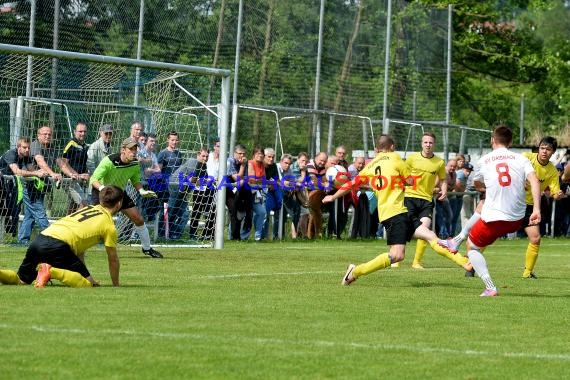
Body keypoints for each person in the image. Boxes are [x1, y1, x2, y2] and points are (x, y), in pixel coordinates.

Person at [322, 134, 461, 286]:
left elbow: (351, 184)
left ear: (377, 149)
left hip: (392, 212)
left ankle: (457, 252)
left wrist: (333, 197)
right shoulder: (395, 158)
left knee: (427, 234)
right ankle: (355, 272)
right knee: (397, 255)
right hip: (396, 212)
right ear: (392, 147)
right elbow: (409, 181)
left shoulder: (372, 164)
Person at [453, 136, 563, 280]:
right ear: (538, 148)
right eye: (542, 148)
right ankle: (471, 265)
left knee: (535, 238)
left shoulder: (552, 171)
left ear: (553, 152)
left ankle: (527, 272)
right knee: (489, 234)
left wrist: (557, 194)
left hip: (529, 208)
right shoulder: (525, 157)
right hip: (512, 202)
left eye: (548, 150)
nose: (544, 152)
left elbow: (554, 192)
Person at [461, 125, 541, 296]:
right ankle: (456, 239)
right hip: (517, 219)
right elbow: (534, 181)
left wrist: (488, 186)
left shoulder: (485, 160)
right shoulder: (521, 159)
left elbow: (477, 184)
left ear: (492, 140)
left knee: (472, 247)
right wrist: (536, 209)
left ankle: (490, 287)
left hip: (495, 218)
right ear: (511, 142)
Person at [0, 186, 124, 288]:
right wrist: (116, 285)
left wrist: (90, 277)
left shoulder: (90, 208)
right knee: (86, 285)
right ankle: (51, 271)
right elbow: (112, 259)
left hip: (40, 239)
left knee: (20, 281)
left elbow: (79, 252)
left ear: (102, 201)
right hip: (58, 245)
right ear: (119, 204)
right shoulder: (109, 226)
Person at [90, 137, 163, 258]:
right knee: (95, 222)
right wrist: (104, 189)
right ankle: (78, 246)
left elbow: (135, 180)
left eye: (135, 149)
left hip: (119, 193)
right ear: (123, 150)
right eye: (131, 149)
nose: (133, 152)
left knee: (138, 219)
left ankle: (147, 249)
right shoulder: (109, 161)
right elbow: (94, 179)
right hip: (102, 192)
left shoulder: (135, 163)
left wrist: (141, 190)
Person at [403, 132, 465, 270]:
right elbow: (403, 176)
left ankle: (416, 262)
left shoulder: (439, 162)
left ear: (434, 144)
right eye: (425, 142)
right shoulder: (412, 159)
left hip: (426, 200)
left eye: (430, 142)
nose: (428, 145)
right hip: (409, 197)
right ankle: (395, 259)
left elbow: (443, 179)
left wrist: (443, 190)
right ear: (421, 143)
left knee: (424, 229)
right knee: (403, 228)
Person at [18, 126, 63, 243]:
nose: (47, 136)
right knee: (39, 212)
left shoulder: (52, 147)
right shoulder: (35, 145)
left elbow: (61, 163)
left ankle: (23, 240)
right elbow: (40, 162)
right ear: (38, 135)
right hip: (31, 185)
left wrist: (74, 174)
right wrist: (52, 173)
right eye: (45, 134)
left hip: (42, 185)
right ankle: (51, 239)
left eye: (49, 134)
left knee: (30, 214)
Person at [0, 137, 48, 238]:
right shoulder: (11, 154)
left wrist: (40, 172)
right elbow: (17, 171)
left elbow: (32, 170)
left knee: (13, 209)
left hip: (9, 184)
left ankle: (13, 237)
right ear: (18, 147)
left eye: (28, 148)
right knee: (3, 209)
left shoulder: (26, 156)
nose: (27, 150)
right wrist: (35, 173)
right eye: (24, 147)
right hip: (2, 182)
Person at [171, 148, 210, 241]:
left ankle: (174, 235)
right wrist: (206, 180)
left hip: (182, 192)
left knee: (181, 214)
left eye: (207, 156)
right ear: (198, 155)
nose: (205, 158)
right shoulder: (193, 162)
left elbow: (205, 180)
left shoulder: (203, 166)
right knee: (174, 213)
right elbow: (193, 181)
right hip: (173, 188)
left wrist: (206, 180)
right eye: (203, 156)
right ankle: (166, 234)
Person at [57, 122, 91, 213]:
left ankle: (67, 224)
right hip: (69, 179)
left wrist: (87, 173)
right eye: (80, 131)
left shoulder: (85, 146)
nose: (82, 133)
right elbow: (63, 163)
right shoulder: (71, 144)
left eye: (84, 131)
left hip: (79, 180)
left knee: (74, 204)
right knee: (84, 203)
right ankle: (75, 225)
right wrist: (78, 175)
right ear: (75, 132)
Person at [157, 131, 183, 239]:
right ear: (167, 140)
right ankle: (161, 233)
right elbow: (159, 171)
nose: (174, 142)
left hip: (176, 187)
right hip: (165, 187)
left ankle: (171, 232)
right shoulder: (163, 153)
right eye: (172, 140)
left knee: (174, 210)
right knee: (165, 210)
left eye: (176, 140)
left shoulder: (179, 154)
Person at [306, 152, 329, 239]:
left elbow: (323, 180)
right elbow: (314, 181)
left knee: (315, 212)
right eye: (321, 160)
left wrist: (325, 184)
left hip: (315, 192)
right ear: (316, 158)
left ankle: (313, 235)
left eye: (324, 161)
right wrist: (325, 185)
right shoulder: (310, 165)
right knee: (316, 212)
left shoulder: (322, 167)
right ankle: (315, 234)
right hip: (306, 192)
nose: (322, 163)